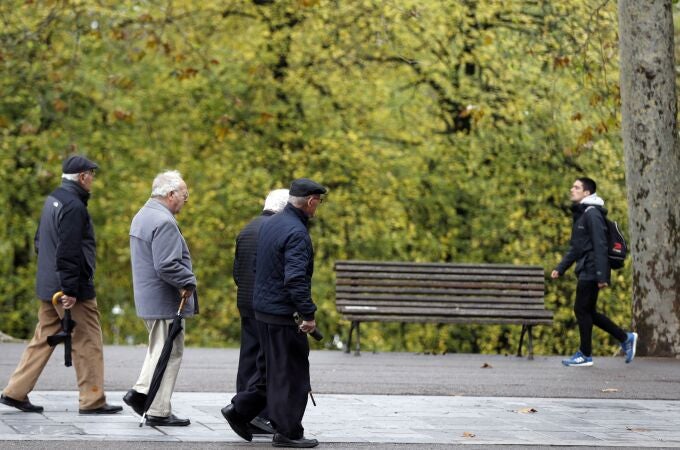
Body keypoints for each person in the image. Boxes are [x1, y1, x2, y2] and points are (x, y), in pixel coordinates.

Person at [0, 155, 122, 415]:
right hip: (69, 289)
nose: (93, 179)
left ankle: (15, 391)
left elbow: (39, 241)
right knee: (88, 340)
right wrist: (69, 289)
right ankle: (92, 400)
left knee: (43, 338)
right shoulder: (74, 206)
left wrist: (52, 279)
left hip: (49, 284)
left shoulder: (53, 199)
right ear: (82, 177)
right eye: (92, 174)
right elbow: (69, 251)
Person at [222, 178, 326, 449]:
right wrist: (308, 314)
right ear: (311, 201)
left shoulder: (270, 225)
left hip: (263, 312)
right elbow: (295, 280)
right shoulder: (297, 233)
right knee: (292, 374)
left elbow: (256, 269)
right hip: (282, 314)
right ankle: (288, 432)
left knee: (269, 372)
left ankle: (239, 410)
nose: (319, 207)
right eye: (319, 202)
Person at [123, 170, 197, 427]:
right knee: (169, 351)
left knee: (160, 349)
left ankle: (147, 397)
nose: (186, 200)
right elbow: (166, 265)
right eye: (184, 195)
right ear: (170, 194)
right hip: (164, 300)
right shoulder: (163, 221)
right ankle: (154, 405)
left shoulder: (143, 215)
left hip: (149, 298)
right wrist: (188, 281)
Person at [551, 177, 637, 367]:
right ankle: (625, 337)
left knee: (581, 310)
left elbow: (600, 244)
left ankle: (585, 354)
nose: (572, 189)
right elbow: (576, 247)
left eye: (576, 187)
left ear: (587, 192)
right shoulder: (583, 215)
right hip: (587, 267)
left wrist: (601, 275)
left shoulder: (592, 214)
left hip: (592, 269)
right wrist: (560, 268)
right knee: (588, 311)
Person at [233, 189, 289, 435]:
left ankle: (242, 410)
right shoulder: (276, 230)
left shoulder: (247, 228)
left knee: (248, 358)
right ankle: (259, 415)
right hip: (265, 305)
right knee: (266, 361)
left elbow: (237, 270)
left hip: (245, 300)